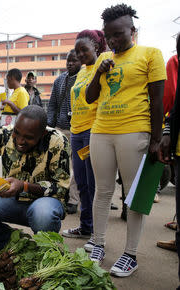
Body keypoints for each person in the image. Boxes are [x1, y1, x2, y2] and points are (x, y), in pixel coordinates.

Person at [85, 4, 166, 277]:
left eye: (119, 34)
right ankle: (97, 244)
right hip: (102, 131)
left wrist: (156, 140)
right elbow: (89, 97)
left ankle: (130, 254)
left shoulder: (151, 54)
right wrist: (99, 71)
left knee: (134, 195)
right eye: (109, 36)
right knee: (103, 190)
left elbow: (157, 100)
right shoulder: (103, 58)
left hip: (135, 131)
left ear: (133, 31)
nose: (114, 40)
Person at [0, 87, 70, 249]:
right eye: (18, 133)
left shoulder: (57, 141)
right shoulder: (6, 134)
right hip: (12, 201)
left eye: (28, 138)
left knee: (43, 215)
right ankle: (17, 246)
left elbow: (61, 189)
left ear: (42, 134)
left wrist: (23, 186)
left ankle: (48, 248)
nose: (20, 141)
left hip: (44, 202)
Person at [61, 30, 107, 250]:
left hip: (92, 131)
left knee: (93, 184)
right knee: (80, 182)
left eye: (84, 50)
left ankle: (97, 234)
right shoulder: (80, 73)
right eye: (77, 51)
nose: (79, 55)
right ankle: (85, 226)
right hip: (76, 132)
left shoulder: (103, 67)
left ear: (96, 48)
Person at [47, 50, 82, 214]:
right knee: (60, 165)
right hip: (61, 128)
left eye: (74, 61)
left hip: (80, 128)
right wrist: (50, 127)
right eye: (68, 61)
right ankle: (60, 195)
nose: (70, 64)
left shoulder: (85, 78)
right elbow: (52, 105)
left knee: (78, 166)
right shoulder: (59, 80)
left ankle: (74, 200)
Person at [158, 32, 180, 287]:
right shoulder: (173, 62)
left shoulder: (173, 62)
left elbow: (170, 97)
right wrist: (166, 133)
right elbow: (173, 100)